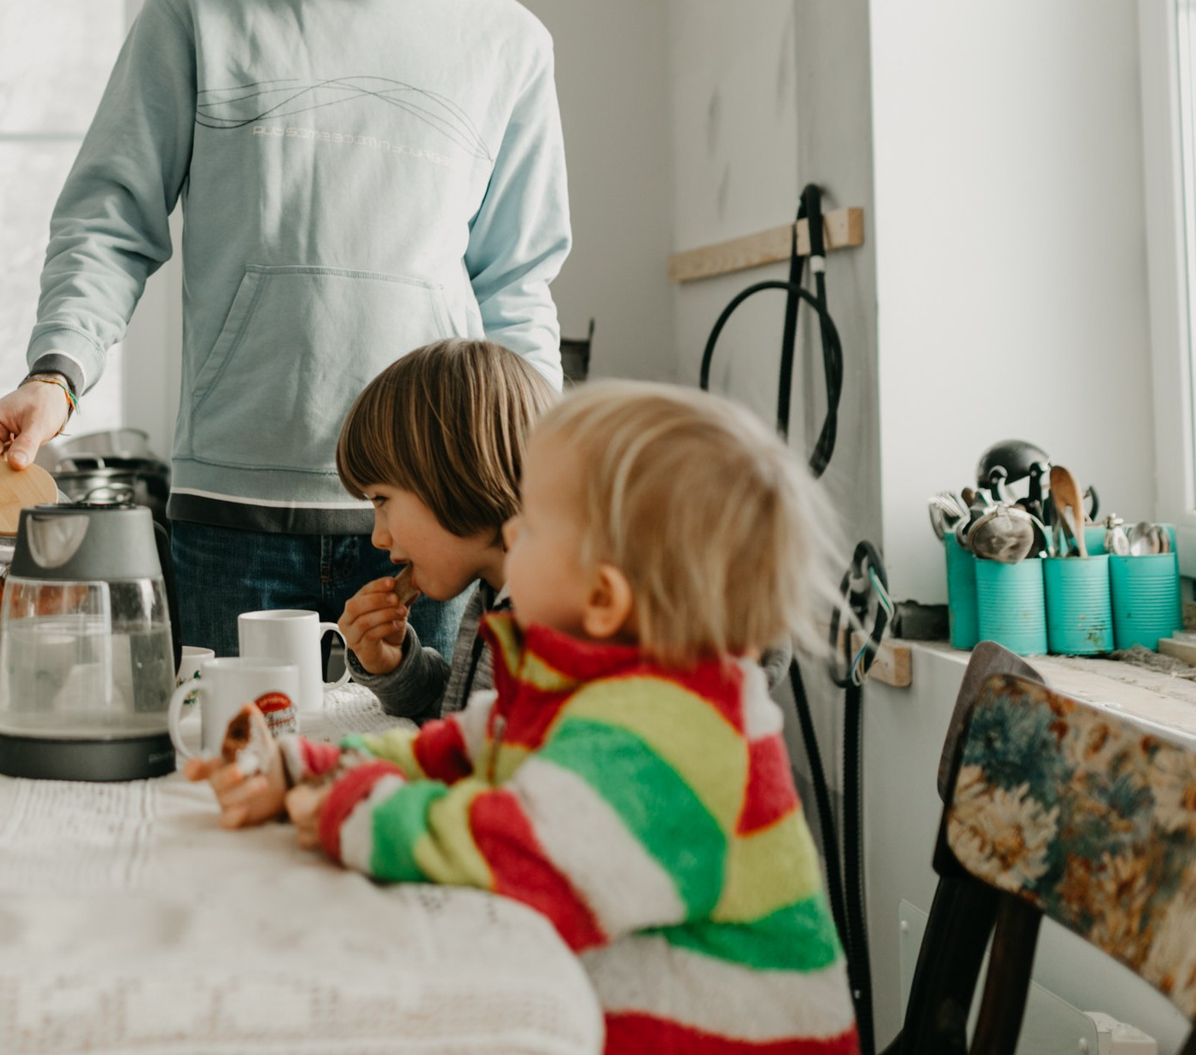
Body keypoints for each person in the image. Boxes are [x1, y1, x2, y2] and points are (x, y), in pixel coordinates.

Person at [0, 0, 571, 658]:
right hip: (233, 519)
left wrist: (547, 486)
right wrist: (57, 375)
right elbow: (108, 218)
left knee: (427, 789)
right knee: (226, 785)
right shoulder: (202, 4)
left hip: (438, 520)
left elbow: (518, 283)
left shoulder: (509, 47)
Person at [198, 383, 857, 1055]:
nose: (511, 531)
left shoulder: (675, 732)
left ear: (603, 597)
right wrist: (304, 763)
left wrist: (355, 808)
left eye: (534, 524)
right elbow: (454, 749)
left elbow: (522, 856)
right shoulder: (586, 687)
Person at [332, 338, 556, 723]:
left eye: (382, 500)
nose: (378, 537)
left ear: (458, 474)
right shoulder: (495, 595)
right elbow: (465, 718)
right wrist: (395, 665)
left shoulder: (552, 625)